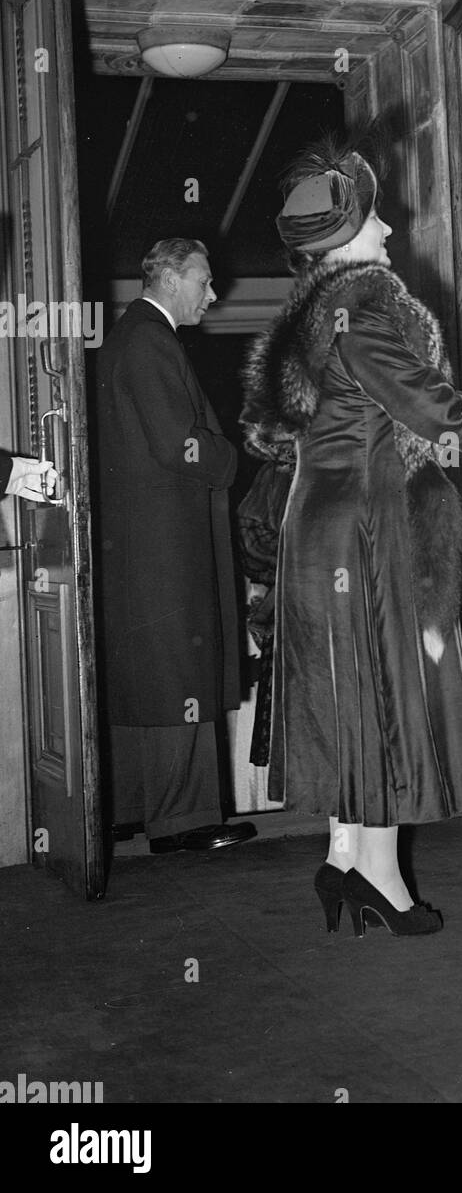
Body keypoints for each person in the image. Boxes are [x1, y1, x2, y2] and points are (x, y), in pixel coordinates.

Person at [241, 128, 462, 938]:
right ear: (348, 225)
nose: (390, 232)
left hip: (317, 522)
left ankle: (347, 858)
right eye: (376, 218)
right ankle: (383, 882)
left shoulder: (314, 306)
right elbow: (431, 407)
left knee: (342, 685)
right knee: (386, 687)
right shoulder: (365, 298)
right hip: (369, 522)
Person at [96, 238, 256, 856]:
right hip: (168, 543)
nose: (212, 296)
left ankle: (137, 808)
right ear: (169, 278)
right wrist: (228, 457)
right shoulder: (150, 338)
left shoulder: (130, 336)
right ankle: (183, 820)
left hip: (145, 542)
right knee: (176, 672)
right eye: (204, 282)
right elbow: (176, 443)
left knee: (149, 675)